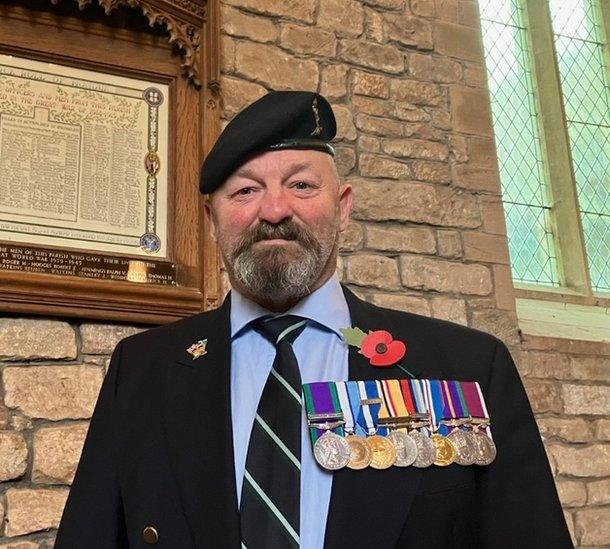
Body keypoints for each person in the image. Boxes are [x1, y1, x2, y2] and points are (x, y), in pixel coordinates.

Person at [55, 91, 571, 548]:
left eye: (301, 185)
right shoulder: (142, 370)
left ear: (343, 208)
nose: (274, 209)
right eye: (245, 191)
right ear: (212, 220)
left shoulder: (467, 368)